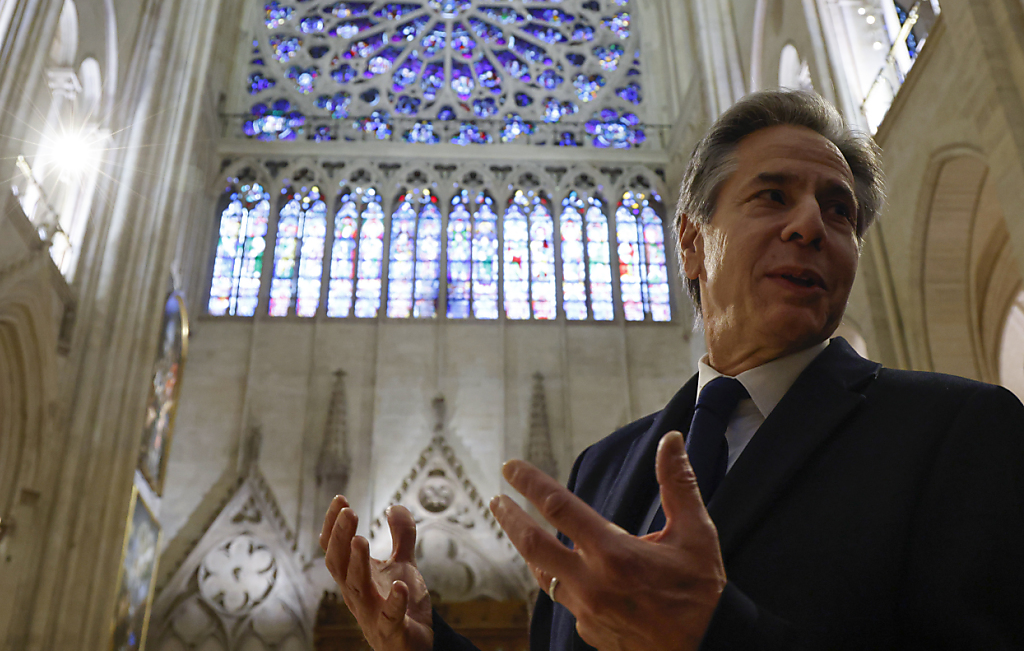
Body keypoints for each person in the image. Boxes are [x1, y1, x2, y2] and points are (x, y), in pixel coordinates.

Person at [320, 90, 1024, 650]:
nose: (811, 225)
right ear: (691, 242)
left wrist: (714, 634)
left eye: (839, 211)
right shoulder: (602, 468)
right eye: (773, 196)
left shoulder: (957, 431)